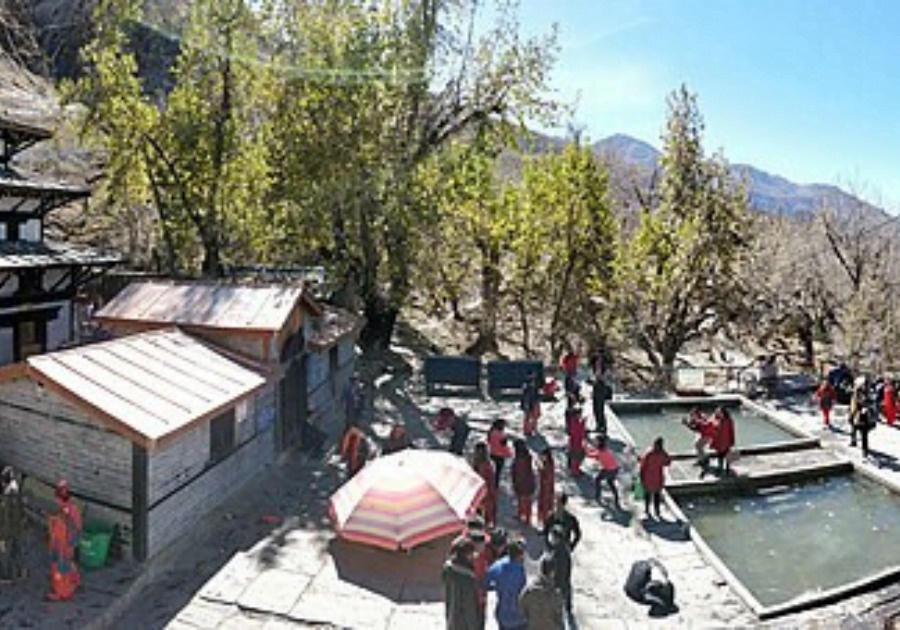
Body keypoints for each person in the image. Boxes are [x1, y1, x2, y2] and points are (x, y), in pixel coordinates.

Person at [47, 480, 82, 602]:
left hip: (62, 545)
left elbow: (65, 530)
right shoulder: (73, 509)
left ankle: (62, 593)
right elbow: (76, 529)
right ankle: (75, 581)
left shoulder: (66, 512)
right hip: (65, 544)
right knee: (68, 564)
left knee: (60, 569)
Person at [485, 539, 528, 630]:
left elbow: (486, 581)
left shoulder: (497, 565)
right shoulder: (519, 569)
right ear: (520, 555)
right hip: (520, 616)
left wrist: (496, 587)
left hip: (504, 615)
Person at [442, 536, 483, 630]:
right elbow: (469, 608)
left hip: (452, 621)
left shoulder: (448, 570)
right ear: (465, 555)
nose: (473, 557)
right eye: (471, 554)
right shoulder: (467, 578)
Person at [519, 554, 564, 630]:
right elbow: (559, 618)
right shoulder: (556, 594)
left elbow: (522, 606)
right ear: (553, 572)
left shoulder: (529, 590)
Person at [0, 466, 24, 582]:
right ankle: (20, 572)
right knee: (17, 552)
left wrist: (2, 537)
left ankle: (6, 576)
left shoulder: (5, 498)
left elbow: (4, 518)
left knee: (5, 554)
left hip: (7, 532)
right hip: (18, 529)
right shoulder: (17, 491)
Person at [639, 437, 672, 520]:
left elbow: (643, 466)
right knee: (657, 495)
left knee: (647, 494)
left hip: (648, 477)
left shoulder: (649, 453)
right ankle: (657, 511)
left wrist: (641, 477)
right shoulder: (662, 454)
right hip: (658, 478)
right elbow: (668, 463)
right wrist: (664, 452)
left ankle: (647, 510)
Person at [546, 524, 574, 619]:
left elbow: (559, 571)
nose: (551, 538)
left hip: (559, 584)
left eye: (552, 536)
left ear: (557, 538)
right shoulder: (563, 548)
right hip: (564, 582)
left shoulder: (559, 552)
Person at [586, 435, 620, 509]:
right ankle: (616, 498)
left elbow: (590, 455)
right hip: (615, 468)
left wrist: (585, 448)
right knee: (610, 483)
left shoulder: (600, 452)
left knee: (597, 480)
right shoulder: (605, 449)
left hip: (609, 469)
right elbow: (594, 451)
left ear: (599, 442)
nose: (594, 442)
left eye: (596, 441)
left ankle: (597, 497)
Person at [471, 442, 498, 526]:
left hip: (483, 494)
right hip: (486, 493)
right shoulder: (489, 464)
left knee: (483, 516)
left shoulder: (484, 466)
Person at [511, 439, 536, 526]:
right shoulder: (527, 456)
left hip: (522, 481)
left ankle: (525, 517)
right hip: (528, 480)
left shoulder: (520, 459)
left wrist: (515, 481)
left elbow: (518, 471)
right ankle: (524, 515)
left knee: (524, 499)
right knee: (525, 499)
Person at [850, 377, 874, 457]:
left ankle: (864, 450)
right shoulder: (857, 392)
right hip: (858, 414)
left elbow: (868, 404)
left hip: (863, 416)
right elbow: (855, 404)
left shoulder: (866, 393)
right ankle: (854, 441)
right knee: (856, 429)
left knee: (863, 434)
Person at [488, 419, 513, 490]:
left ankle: (491, 483)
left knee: (493, 470)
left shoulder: (491, 432)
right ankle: (495, 485)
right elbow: (503, 444)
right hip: (500, 454)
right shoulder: (501, 434)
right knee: (498, 471)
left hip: (493, 452)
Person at [710, 407, 736, 475]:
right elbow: (711, 427)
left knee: (727, 455)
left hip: (726, 440)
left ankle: (727, 468)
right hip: (719, 441)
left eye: (719, 412)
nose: (718, 413)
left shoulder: (729, 420)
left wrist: (732, 441)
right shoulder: (716, 419)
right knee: (719, 455)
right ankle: (720, 468)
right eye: (717, 412)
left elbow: (732, 431)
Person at [565, 406, 587, 476]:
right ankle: (575, 471)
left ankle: (573, 468)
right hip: (576, 443)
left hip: (576, 442)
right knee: (577, 457)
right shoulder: (574, 422)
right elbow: (579, 432)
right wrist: (583, 423)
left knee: (576, 456)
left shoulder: (573, 421)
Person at [536, 448, 555, 527]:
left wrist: (540, 470)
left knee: (545, 508)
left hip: (546, 489)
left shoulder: (549, 465)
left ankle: (545, 524)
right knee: (544, 508)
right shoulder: (547, 463)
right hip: (545, 488)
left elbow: (547, 477)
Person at [520, 372, 541, 436]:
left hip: (532, 402)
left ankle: (531, 428)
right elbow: (526, 396)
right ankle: (528, 430)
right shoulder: (527, 386)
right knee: (528, 417)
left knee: (532, 416)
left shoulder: (530, 385)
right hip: (530, 402)